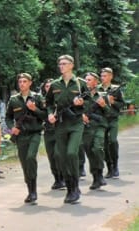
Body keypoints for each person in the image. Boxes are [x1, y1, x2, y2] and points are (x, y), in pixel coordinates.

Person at [46, 55, 87, 204]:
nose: (61, 66)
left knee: (71, 153)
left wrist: (81, 103)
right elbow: (49, 102)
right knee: (62, 157)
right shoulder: (55, 84)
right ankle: (70, 188)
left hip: (76, 123)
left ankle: (75, 187)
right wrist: (50, 113)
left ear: (71, 65)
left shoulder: (80, 83)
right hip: (60, 124)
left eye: (64, 64)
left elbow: (89, 102)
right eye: (60, 64)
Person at [6, 73, 46, 204]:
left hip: (34, 133)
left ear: (30, 83)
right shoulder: (13, 99)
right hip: (21, 135)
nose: (22, 84)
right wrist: (12, 127)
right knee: (24, 163)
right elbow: (8, 117)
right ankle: (30, 190)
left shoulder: (37, 97)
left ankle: (33, 190)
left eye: (25, 81)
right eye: (20, 82)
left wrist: (35, 109)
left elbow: (45, 115)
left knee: (30, 158)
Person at [82, 72, 110, 190]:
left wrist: (104, 105)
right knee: (90, 152)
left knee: (97, 148)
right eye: (86, 80)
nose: (87, 82)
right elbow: (75, 111)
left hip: (99, 126)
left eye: (89, 80)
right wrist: (82, 116)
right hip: (86, 128)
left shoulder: (103, 95)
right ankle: (96, 177)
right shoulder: (81, 96)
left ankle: (100, 172)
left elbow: (110, 113)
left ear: (96, 82)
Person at [98, 67, 125, 179]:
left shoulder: (116, 89)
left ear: (111, 76)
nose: (103, 78)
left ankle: (115, 165)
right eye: (102, 76)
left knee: (112, 141)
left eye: (105, 76)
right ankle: (109, 167)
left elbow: (122, 105)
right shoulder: (97, 89)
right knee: (103, 145)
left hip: (113, 119)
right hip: (101, 119)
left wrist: (113, 102)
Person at [41, 78, 65, 190]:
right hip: (48, 131)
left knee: (58, 154)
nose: (49, 88)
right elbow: (39, 115)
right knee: (51, 156)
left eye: (51, 86)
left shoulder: (60, 98)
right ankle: (57, 179)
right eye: (47, 86)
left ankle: (64, 177)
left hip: (60, 130)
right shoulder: (40, 100)